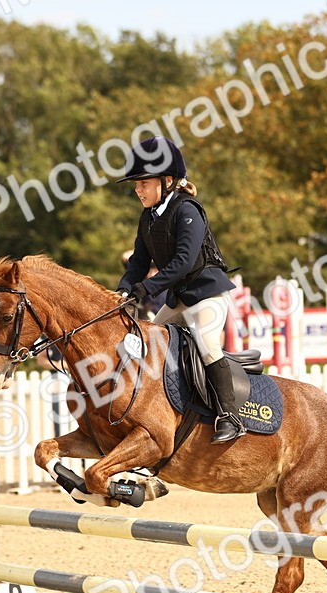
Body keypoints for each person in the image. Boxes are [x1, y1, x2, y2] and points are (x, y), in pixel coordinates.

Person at [116, 136, 242, 443]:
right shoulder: (148, 218)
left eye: (143, 183)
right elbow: (138, 261)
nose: (137, 190)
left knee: (208, 345)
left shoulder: (188, 211)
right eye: (136, 184)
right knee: (146, 347)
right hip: (179, 299)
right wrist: (122, 290)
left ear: (167, 180)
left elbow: (184, 263)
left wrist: (145, 289)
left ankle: (229, 415)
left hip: (207, 293)